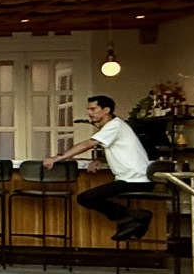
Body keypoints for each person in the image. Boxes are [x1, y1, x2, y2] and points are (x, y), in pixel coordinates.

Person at [47, 94, 156, 240]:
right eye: (88, 109)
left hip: (136, 180)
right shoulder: (114, 126)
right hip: (132, 179)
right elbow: (119, 150)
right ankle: (131, 219)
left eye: (93, 109)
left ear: (106, 110)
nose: (89, 113)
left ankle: (137, 216)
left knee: (85, 198)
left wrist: (58, 157)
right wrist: (99, 159)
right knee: (87, 198)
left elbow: (88, 144)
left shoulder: (115, 125)